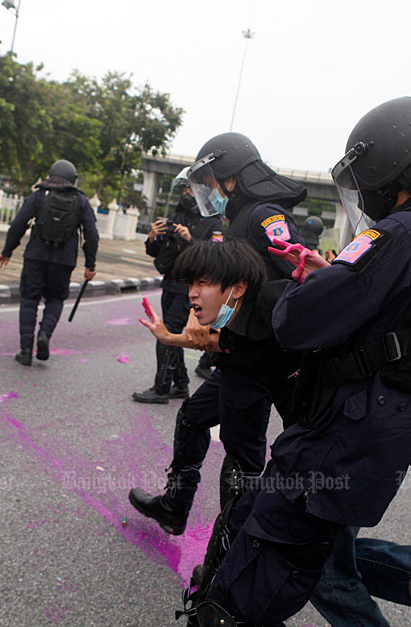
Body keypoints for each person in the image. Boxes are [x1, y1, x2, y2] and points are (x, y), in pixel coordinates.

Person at [188, 96, 411, 626]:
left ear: (384, 163)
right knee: (312, 553)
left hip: (336, 438)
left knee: (248, 583)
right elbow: (389, 318)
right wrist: (328, 273)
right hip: (383, 435)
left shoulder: (400, 233)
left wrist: (280, 291)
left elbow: (301, 321)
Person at [141, 240, 411, 627]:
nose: (192, 294)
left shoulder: (281, 300)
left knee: (314, 566)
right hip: (322, 440)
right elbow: (221, 341)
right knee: (311, 550)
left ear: (236, 287)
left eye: (202, 283)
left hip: (348, 439)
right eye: (190, 284)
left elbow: (351, 314)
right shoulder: (236, 329)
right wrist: (172, 338)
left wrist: (328, 278)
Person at [128, 132, 305, 536]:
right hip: (234, 356)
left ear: (229, 176)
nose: (207, 190)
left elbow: (296, 281)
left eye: (209, 181)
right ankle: (175, 504)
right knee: (192, 418)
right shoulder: (238, 217)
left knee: (242, 457)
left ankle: (231, 548)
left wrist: (237, 326)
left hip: (257, 359)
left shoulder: (265, 216)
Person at [132, 167, 223, 404]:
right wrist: (152, 237)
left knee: (167, 333)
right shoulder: (176, 217)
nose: (185, 193)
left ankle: (161, 388)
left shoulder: (212, 223)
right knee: (171, 333)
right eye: (183, 188)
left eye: (190, 188)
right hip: (170, 282)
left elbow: (215, 257)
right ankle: (180, 385)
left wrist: (190, 240)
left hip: (190, 287)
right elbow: (156, 251)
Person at [0, 159, 99, 365]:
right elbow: (92, 235)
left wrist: (8, 250)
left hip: (35, 255)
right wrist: (90, 264)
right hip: (64, 260)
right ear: (72, 179)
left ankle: (25, 350)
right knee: (55, 299)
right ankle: (45, 333)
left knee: (29, 300)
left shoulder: (40, 195)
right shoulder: (80, 201)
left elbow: (18, 224)